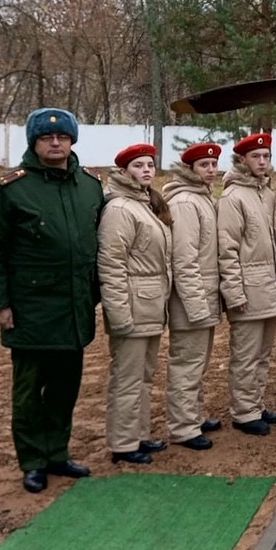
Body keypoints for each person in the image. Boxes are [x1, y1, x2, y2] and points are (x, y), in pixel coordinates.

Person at [0, 107, 103, 494]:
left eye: (62, 137)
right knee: (30, 390)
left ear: (72, 141)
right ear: (34, 142)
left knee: (66, 385)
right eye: (47, 138)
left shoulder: (89, 185)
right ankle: (32, 461)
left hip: (75, 305)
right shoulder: (12, 188)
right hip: (30, 307)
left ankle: (57, 452)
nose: (55, 143)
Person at [99, 142, 173, 465]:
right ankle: (123, 442)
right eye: (138, 166)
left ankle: (139, 435)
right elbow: (112, 265)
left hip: (150, 304)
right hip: (132, 304)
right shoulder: (119, 209)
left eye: (149, 165)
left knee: (143, 376)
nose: (146, 170)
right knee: (127, 378)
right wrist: (118, 314)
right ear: (124, 171)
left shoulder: (142, 203)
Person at [218, 131, 276, 436]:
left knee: (262, 353)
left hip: (267, 286)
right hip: (247, 288)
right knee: (245, 354)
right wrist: (234, 292)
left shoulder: (266, 193)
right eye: (256, 157)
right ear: (242, 160)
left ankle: (255, 403)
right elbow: (227, 248)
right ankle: (244, 411)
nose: (262, 161)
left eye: (266, 156)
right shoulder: (234, 198)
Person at [162, 142, 224, 450]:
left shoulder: (202, 198)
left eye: (213, 165)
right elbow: (184, 260)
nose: (210, 171)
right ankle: (183, 426)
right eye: (203, 166)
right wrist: (197, 304)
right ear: (190, 170)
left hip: (205, 293)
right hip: (191, 298)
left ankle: (195, 414)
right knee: (186, 361)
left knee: (198, 360)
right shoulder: (186, 202)